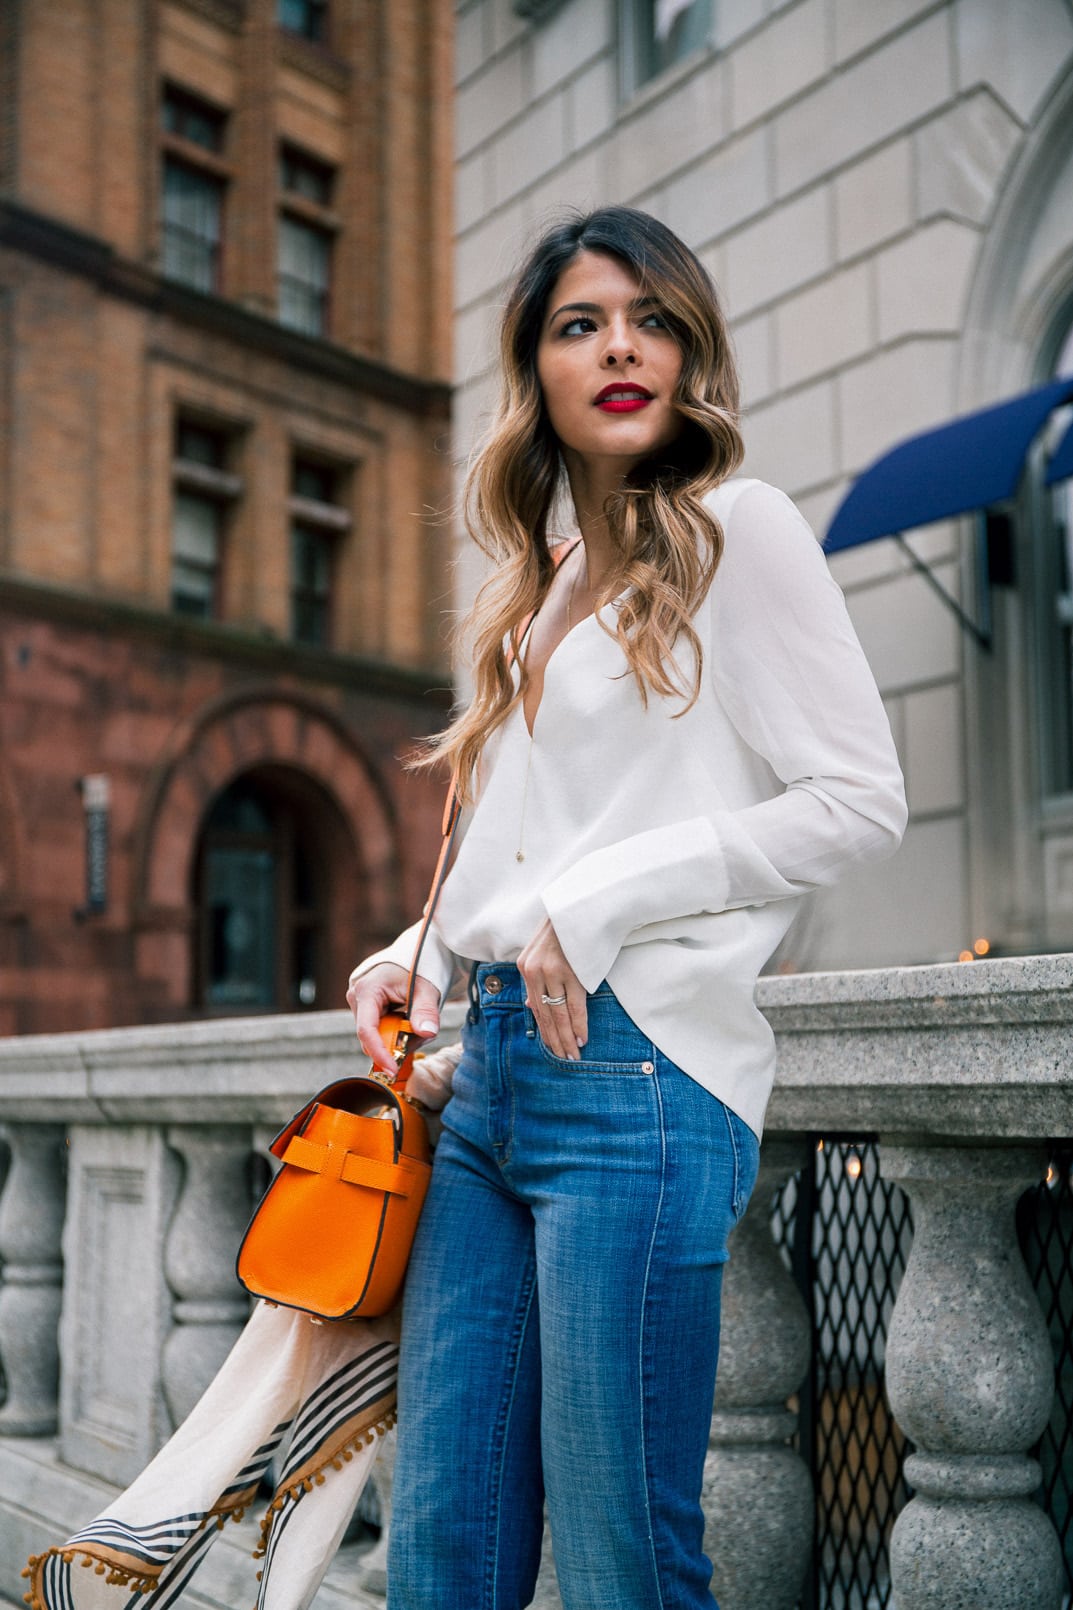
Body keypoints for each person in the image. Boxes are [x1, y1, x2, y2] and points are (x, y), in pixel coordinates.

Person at [347, 205, 906, 1610]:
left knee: (619, 1566)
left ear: (690, 353)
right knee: (442, 1551)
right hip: (486, 1090)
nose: (617, 348)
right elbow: (521, 855)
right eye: (577, 323)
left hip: (640, 1081)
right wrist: (408, 955)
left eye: (650, 320)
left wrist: (602, 901)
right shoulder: (532, 593)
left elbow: (856, 799)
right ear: (532, 366)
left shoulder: (739, 531)